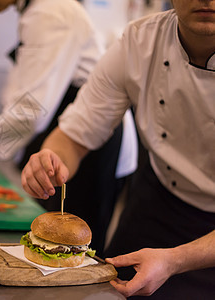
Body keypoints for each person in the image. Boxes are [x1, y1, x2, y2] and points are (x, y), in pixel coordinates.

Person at [20, 0, 215, 298]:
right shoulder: (140, 41)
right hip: (157, 198)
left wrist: (175, 260)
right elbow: (75, 133)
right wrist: (50, 160)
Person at [0, 0, 138, 255]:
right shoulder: (37, 11)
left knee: (75, 247)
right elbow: (23, 99)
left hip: (90, 145)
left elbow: (29, 113)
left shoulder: (52, 13)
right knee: (49, 239)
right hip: (65, 139)